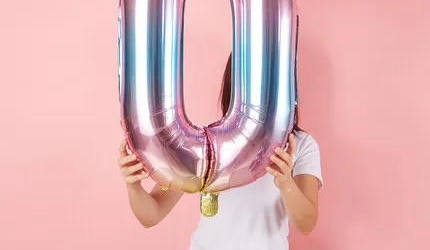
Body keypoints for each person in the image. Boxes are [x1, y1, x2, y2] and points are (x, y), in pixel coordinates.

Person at [118, 52, 323, 249]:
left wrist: (286, 183)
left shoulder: (300, 145)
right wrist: (134, 186)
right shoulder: (207, 142)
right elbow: (152, 215)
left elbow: (306, 224)